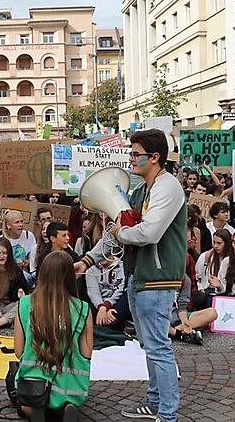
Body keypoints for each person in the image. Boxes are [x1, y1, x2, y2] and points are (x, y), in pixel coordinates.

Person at [75, 129, 186, 422]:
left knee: (158, 347)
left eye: (136, 154)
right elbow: (116, 234)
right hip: (138, 276)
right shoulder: (139, 191)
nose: (131, 159)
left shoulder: (168, 187)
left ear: (155, 157)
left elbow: (148, 233)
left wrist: (120, 232)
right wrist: (87, 260)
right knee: (149, 345)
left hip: (158, 278)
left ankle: (167, 414)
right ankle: (155, 403)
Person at [14, 251, 92, 422]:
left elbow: (19, 351)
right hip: (70, 384)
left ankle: (36, 410)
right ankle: (68, 407)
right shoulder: (82, 308)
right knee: (64, 400)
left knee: (26, 403)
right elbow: (86, 353)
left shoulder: (25, 303)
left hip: (35, 380)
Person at [84, 254, 131, 330]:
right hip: (98, 306)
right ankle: (107, 325)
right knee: (84, 309)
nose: (103, 256)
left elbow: (119, 290)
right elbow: (93, 293)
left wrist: (105, 307)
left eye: (106, 253)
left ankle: (104, 325)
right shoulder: (91, 270)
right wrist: (101, 308)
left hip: (116, 303)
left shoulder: (122, 267)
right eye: (100, 254)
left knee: (127, 297)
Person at [194, 228, 232, 310]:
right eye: (214, 242)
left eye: (219, 243)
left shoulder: (232, 260)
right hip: (207, 290)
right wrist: (201, 288)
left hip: (225, 291)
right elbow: (197, 276)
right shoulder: (206, 256)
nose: (215, 246)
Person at [0, 210, 37, 274]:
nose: (20, 225)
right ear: (8, 225)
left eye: (21, 221)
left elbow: (33, 256)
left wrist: (26, 262)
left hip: (25, 273)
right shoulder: (1, 240)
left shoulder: (29, 235)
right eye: (17, 222)